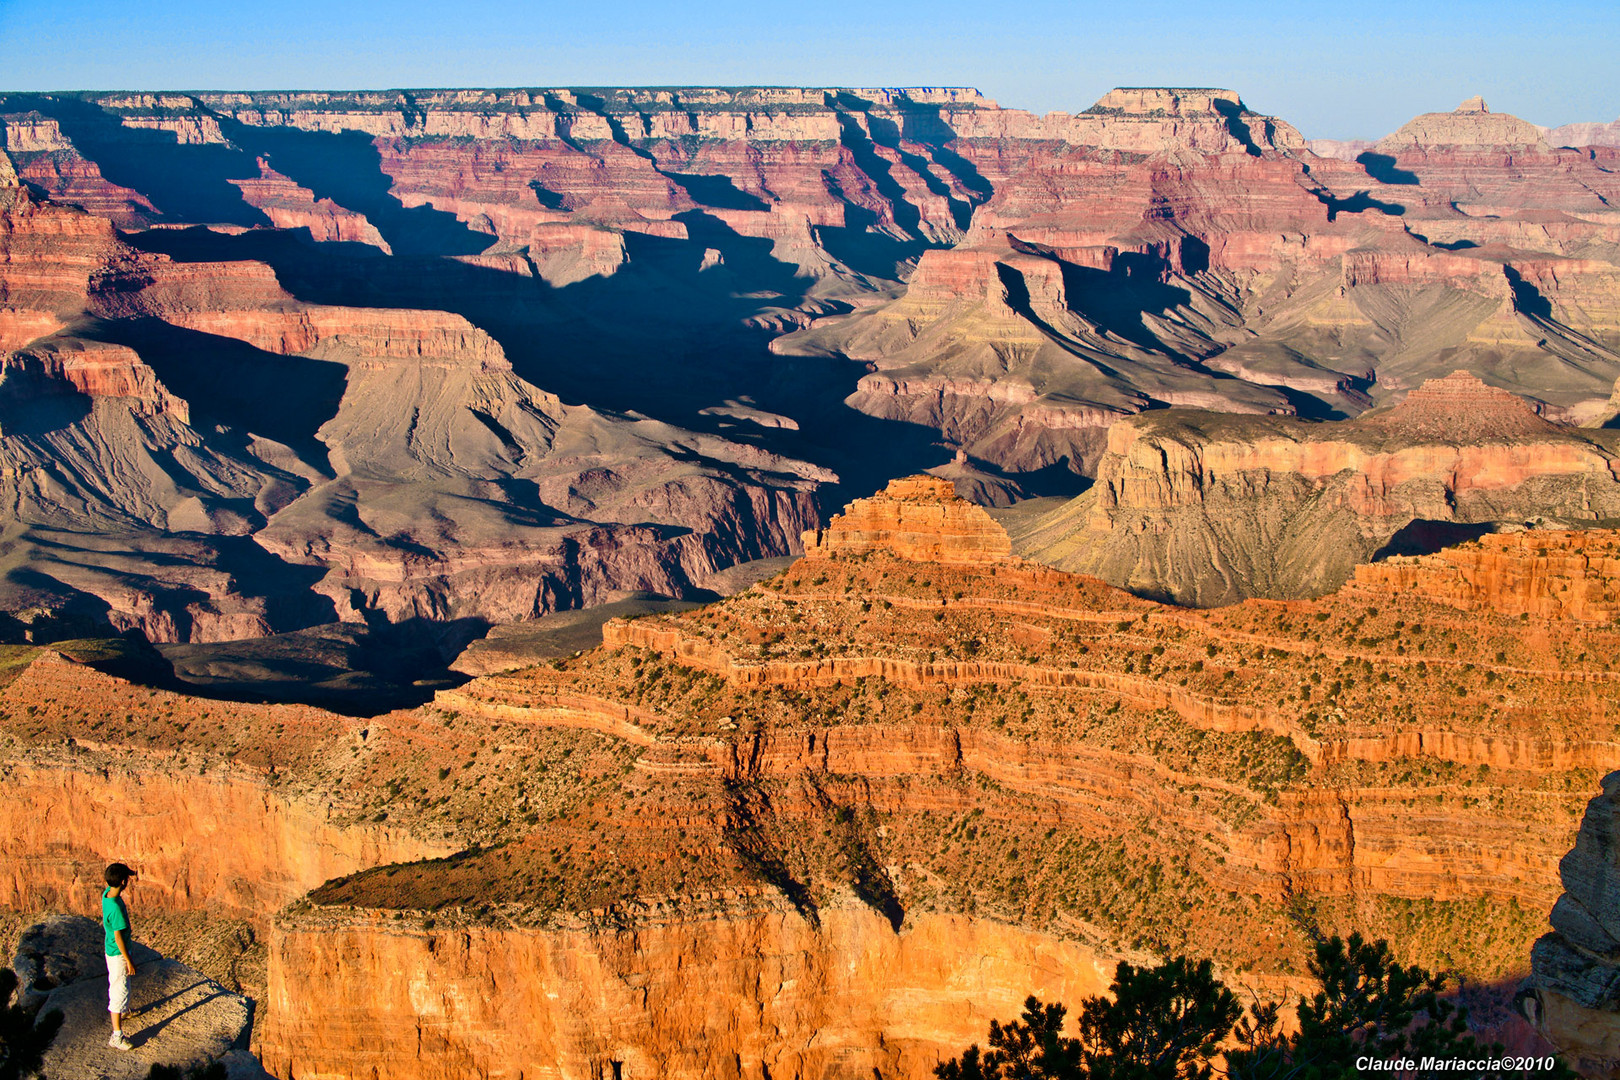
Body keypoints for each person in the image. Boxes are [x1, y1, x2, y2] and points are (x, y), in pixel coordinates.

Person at [102, 862, 137, 1051]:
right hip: (118, 954)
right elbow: (118, 937)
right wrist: (129, 961)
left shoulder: (107, 894)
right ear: (123, 882)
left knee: (124, 986)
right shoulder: (115, 907)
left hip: (112, 951)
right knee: (119, 991)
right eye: (127, 879)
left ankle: (123, 1011)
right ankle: (116, 1036)